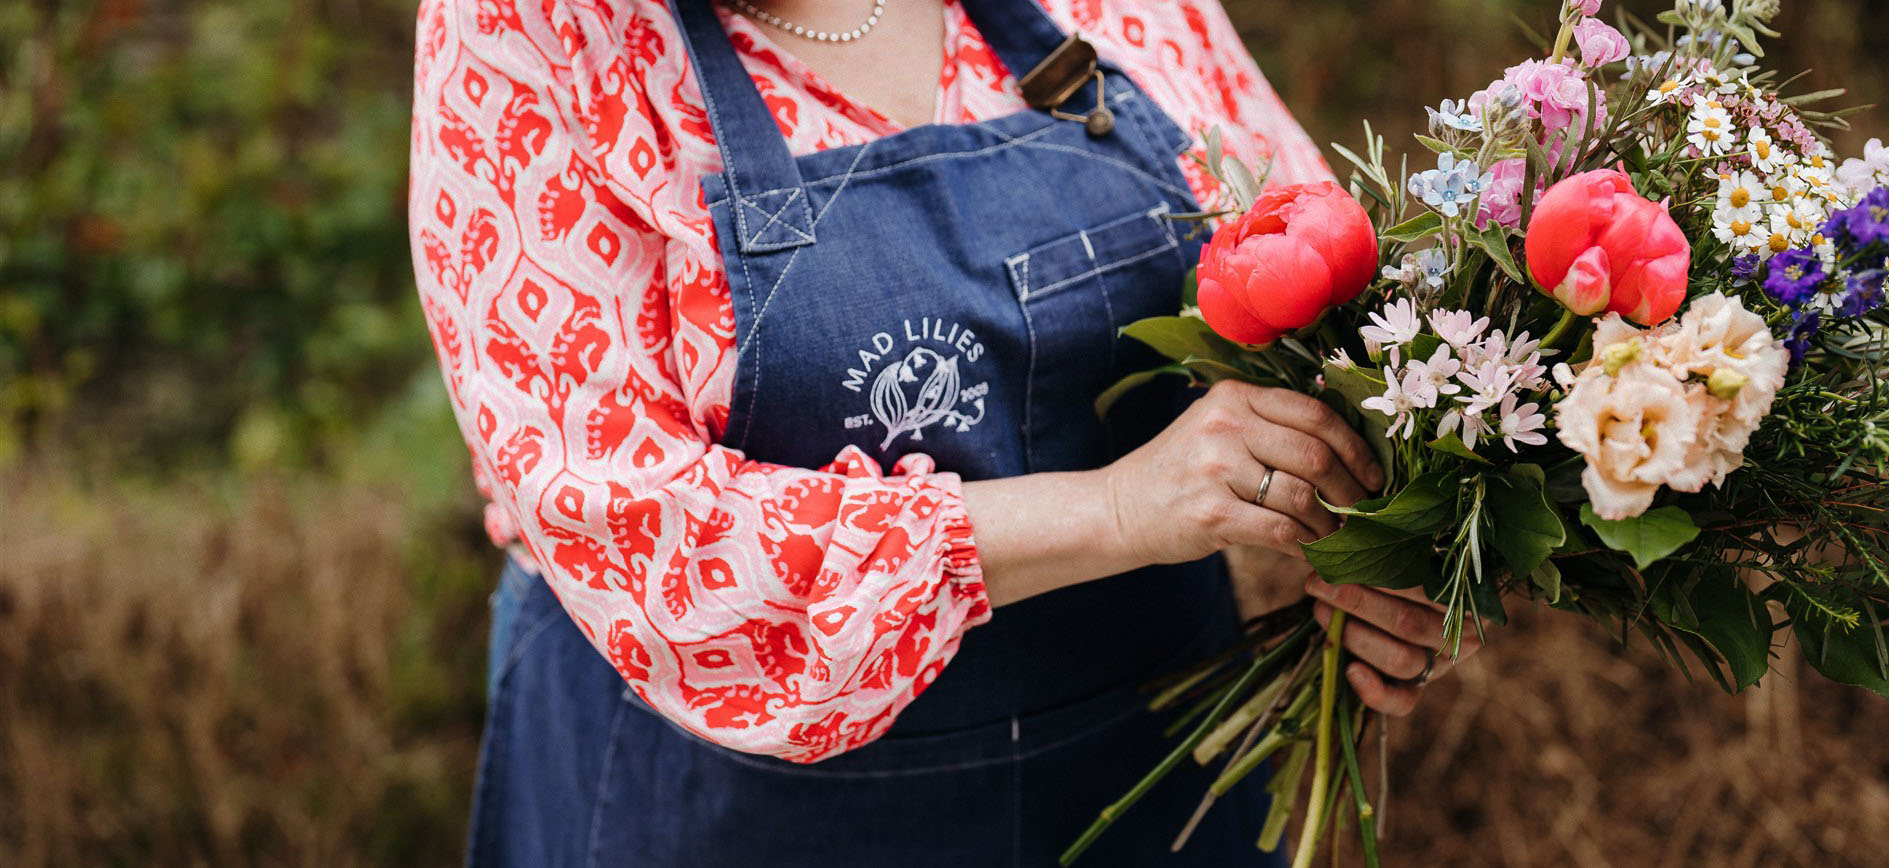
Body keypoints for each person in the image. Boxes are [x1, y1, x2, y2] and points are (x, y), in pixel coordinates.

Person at [407, 0, 1470, 864]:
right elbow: (640, 530)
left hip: (1149, 781)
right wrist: (1115, 508)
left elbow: (1313, 263)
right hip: (734, 814)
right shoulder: (528, 29)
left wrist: (1361, 534)